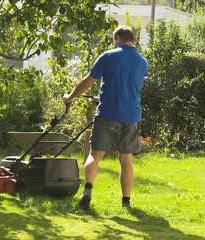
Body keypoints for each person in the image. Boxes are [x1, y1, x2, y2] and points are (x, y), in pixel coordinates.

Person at [63, 25, 148, 209]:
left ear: (117, 38)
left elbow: (87, 82)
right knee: (126, 160)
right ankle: (126, 202)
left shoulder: (108, 55)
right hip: (131, 116)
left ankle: (87, 190)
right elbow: (127, 88)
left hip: (108, 113)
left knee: (95, 155)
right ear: (131, 39)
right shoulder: (142, 62)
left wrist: (70, 97)